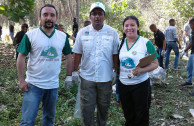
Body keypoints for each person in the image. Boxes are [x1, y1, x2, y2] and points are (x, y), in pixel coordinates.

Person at [17, 4, 73, 126]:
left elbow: (69, 56)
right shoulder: (30, 36)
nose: (49, 18)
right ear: (40, 17)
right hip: (33, 85)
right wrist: (21, 80)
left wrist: (69, 76)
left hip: (53, 86)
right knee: (27, 121)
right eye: (45, 15)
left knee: (49, 119)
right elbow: (21, 57)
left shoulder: (62, 37)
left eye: (52, 15)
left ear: (56, 18)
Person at [72, 2, 119, 126]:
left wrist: (116, 72)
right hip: (87, 78)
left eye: (100, 14)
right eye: (94, 14)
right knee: (86, 109)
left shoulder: (112, 33)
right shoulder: (82, 32)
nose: (97, 16)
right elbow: (77, 53)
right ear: (90, 16)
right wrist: (73, 72)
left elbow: (115, 54)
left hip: (106, 78)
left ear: (104, 16)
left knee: (103, 108)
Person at [118, 16, 158, 126]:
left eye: (132, 25)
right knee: (128, 114)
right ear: (123, 28)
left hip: (140, 85)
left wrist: (141, 70)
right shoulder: (120, 43)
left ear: (138, 27)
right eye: (126, 25)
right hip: (123, 85)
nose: (129, 28)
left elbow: (155, 64)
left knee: (141, 115)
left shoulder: (145, 43)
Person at [180, 18, 194, 87]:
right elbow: (191, 42)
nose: (190, 27)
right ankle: (189, 81)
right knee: (189, 67)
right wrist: (184, 51)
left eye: (191, 25)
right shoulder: (193, 31)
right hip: (192, 52)